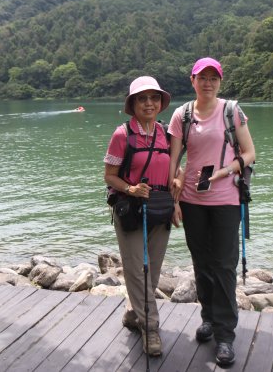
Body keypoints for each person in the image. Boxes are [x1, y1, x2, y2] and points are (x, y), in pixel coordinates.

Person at [167, 57, 256, 367]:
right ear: (192, 80)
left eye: (213, 78)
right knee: (201, 263)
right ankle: (208, 317)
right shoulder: (182, 115)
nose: (208, 83)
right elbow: (173, 160)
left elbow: (249, 153)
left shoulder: (231, 111)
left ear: (220, 81)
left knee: (223, 266)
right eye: (202, 77)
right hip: (192, 201)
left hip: (226, 200)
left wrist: (225, 171)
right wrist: (174, 199)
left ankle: (226, 335)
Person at [104, 76, 181, 356]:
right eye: (142, 98)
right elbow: (109, 176)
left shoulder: (167, 134)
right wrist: (131, 188)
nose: (149, 103)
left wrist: (178, 192)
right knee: (137, 270)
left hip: (160, 209)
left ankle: (133, 312)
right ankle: (150, 327)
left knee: (153, 271)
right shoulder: (122, 135)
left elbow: (175, 170)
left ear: (160, 102)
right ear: (133, 103)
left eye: (154, 97)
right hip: (131, 211)